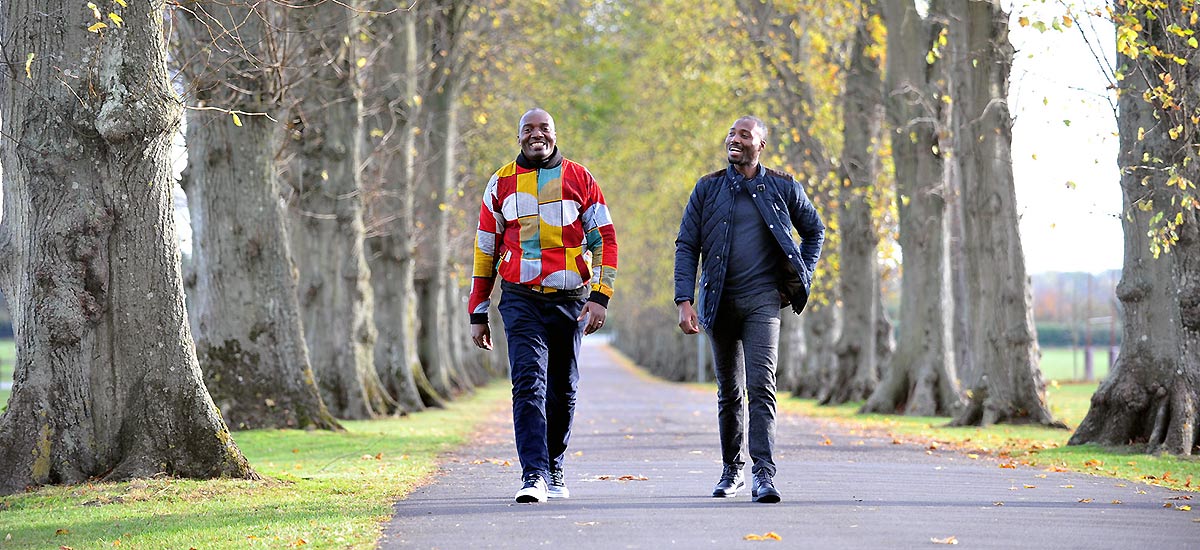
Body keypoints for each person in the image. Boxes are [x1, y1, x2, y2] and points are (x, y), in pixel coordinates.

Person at [469, 108, 618, 503]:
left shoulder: (579, 178)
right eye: (529, 129)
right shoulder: (500, 182)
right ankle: (532, 474)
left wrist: (601, 296)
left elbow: (605, 240)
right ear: (518, 137)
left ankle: (554, 464)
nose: (537, 135)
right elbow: (486, 248)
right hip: (520, 298)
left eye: (544, 128)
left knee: (563, 389)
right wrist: (478, 310)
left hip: (571, 301)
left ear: (555, 134)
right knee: (528, 384)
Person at [674, 115, 824, 504]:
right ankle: (731, 471)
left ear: (761, 145)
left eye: (744, 134)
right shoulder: (707, 189)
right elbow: (687, 245)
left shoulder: (782, 186)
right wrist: (683, 299)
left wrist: (801, 275)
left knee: (761, 386)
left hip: (763, 301)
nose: (734, 139)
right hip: (718, 301)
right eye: (731, 133)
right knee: (729, 391)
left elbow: (814, 230)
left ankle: (764, 475)